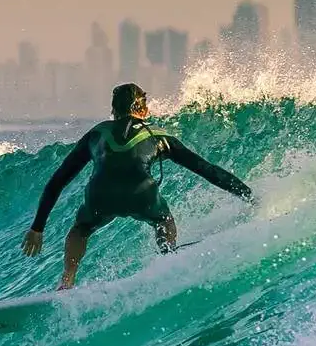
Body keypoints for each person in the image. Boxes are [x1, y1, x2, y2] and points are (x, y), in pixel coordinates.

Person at [21, 83, 254, 290]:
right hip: (141, 195)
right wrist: (248, 195)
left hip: (101, 197)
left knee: (81, 228)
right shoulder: (159, 136)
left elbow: (57, 181)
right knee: (163, 220)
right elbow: (207, 170)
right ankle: (168, 258)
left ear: (113, 111)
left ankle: (67, 280)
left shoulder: (96, 134)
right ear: (144, 110)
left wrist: (37, 228)